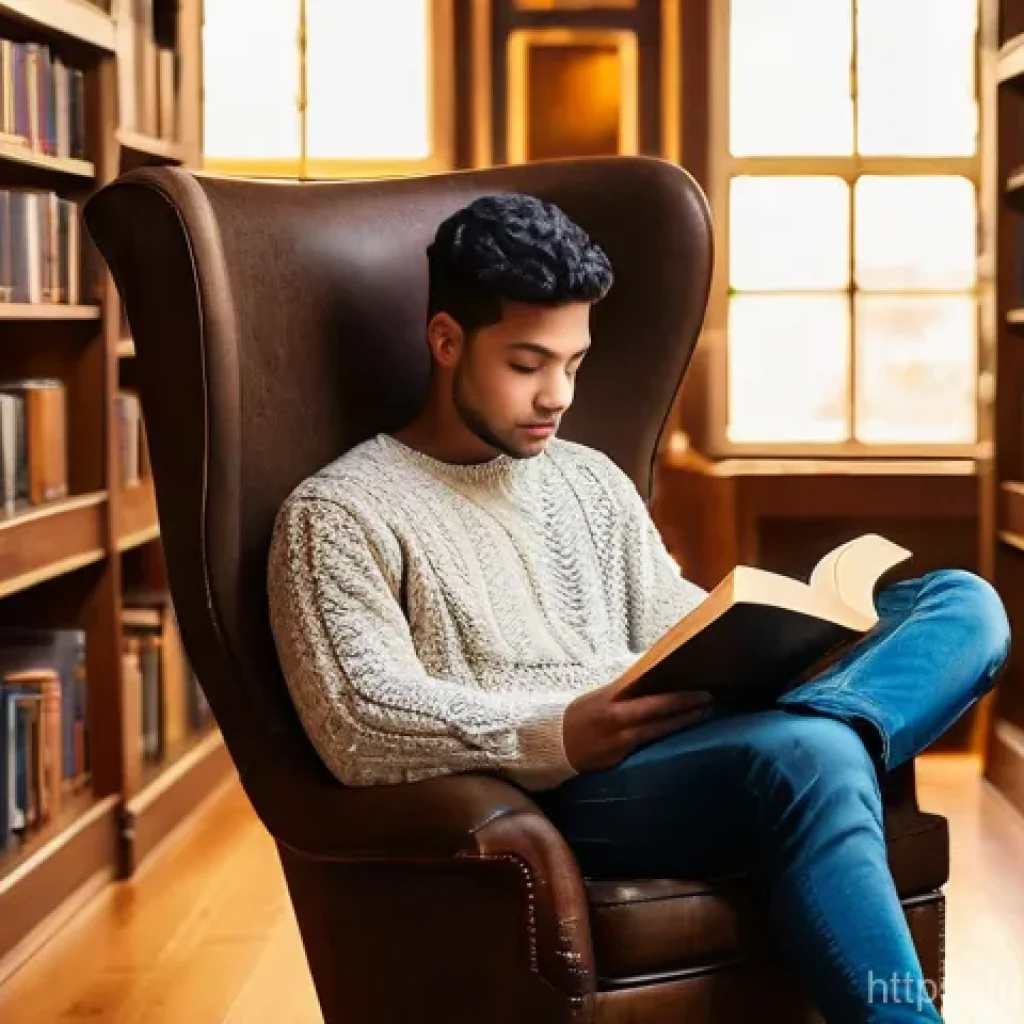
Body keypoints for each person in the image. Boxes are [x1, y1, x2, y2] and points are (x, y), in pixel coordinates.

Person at [266, 192, 1010, 1023]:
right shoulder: (336, 513)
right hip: (571, 785)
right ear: (447, 341)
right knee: (814, 754)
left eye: (574, 364)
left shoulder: (590, 480)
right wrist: (557, 731)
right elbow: (358, 723)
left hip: (689, 736)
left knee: (963, 604)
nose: (557, 395)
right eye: (527, 363)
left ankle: (821, 719)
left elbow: (670, 622)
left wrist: (785, 638)